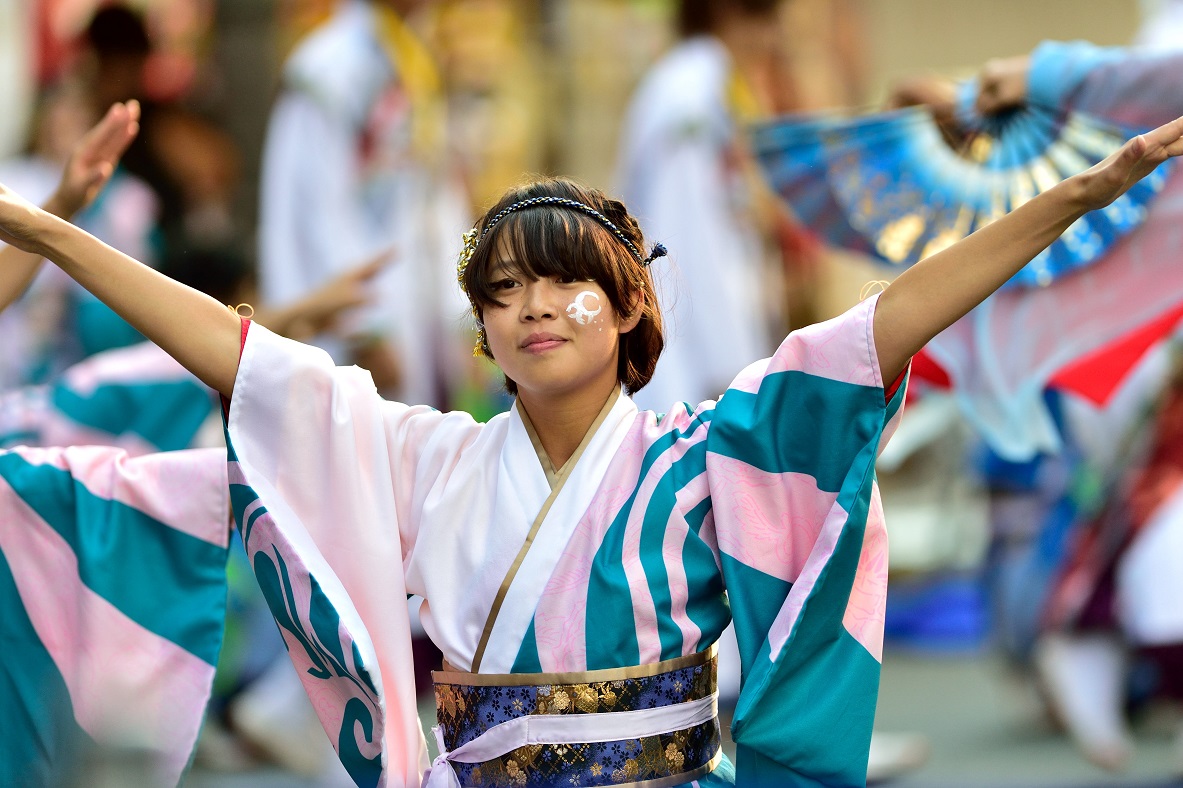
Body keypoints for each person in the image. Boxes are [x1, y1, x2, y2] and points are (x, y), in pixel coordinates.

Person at [2, 112, 1181, 786]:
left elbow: (884, 322)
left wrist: (1068, 202)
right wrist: (52, 234)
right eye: (506, 291)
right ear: (482, 330)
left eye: (570, 283)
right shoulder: (425, 457)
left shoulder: (705, 456)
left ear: (627, 310)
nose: (536, 307)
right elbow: (248, 361)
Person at [258, 0, 471, 405]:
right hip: (352, 329)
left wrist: (459, 312)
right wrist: (363, 330)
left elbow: (432, 194)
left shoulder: (410, 59)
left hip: (411, 313)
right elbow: (314, 210)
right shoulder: (326, 69)